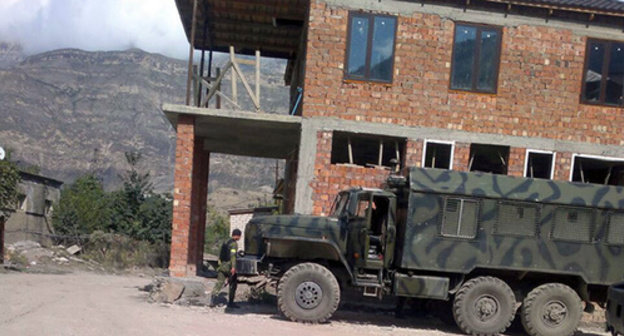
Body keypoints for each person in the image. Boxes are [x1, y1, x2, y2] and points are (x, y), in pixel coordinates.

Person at [210, 229, 241, 308]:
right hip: (228, 266)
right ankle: (231, 303)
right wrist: (233, 267)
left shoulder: (225, 241)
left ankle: (212, 300)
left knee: (219, 282)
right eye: (240, 236)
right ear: (237, 235)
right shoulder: (234, 244)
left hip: (222, 265)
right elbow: (233, 256)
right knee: (233, 284)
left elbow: (221, 254)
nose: (240, 237)